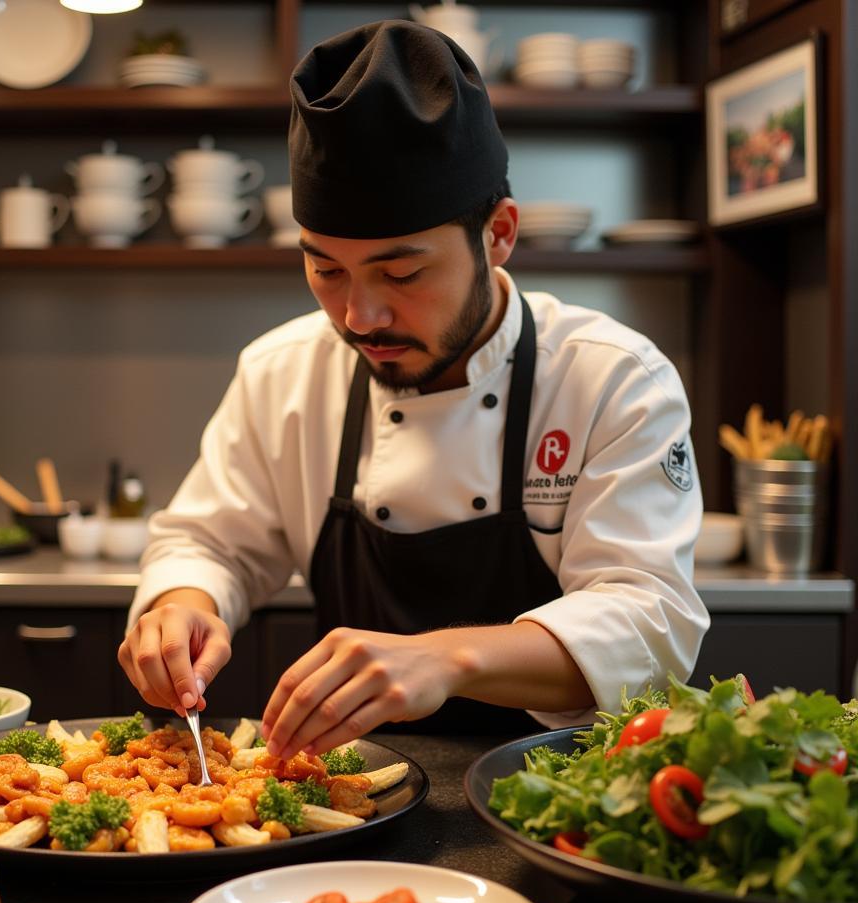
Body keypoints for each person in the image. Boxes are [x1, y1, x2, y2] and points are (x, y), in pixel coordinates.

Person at [118, 20, 709, 759]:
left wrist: (445, 658)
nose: (359, 316)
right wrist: (183, 603)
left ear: (498, 234)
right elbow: (211, 541)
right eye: (326, 270)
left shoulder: (611, 378)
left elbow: (650, 625)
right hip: (356, 792)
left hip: (556, 797)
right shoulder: (282, 373)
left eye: (402, 274)